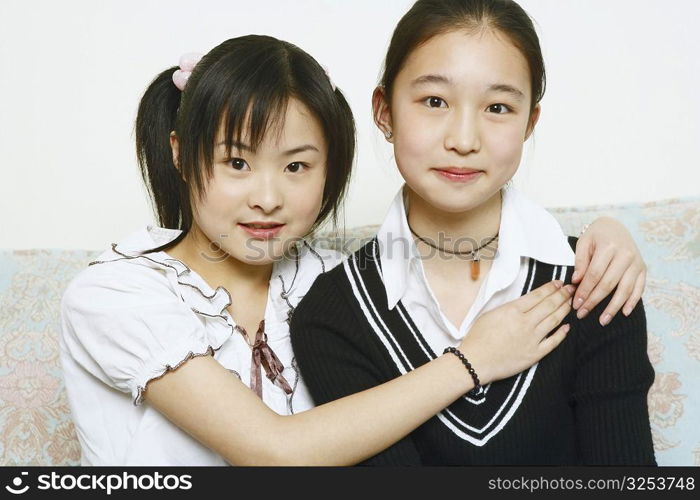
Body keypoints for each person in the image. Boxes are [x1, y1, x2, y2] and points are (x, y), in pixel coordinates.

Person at [61, 33, 646, 466]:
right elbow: (270, 450)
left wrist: (605, 239)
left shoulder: (327, 284)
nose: (267, 198)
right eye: (236, 162)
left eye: (296, 166)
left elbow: (453, 250)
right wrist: (470, 362)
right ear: (181, 153)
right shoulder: (116, 295)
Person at [290, 0, 656, 465]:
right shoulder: (332, 313)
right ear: (384, 112)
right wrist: (469, 363)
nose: (464, 139)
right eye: (435, 101)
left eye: (498, 107)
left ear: (529, 123)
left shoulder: (598, 279)